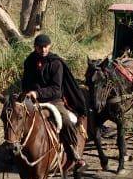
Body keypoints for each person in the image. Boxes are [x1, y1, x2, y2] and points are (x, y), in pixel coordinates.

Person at [21, 33, 88, 168]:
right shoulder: (29, 61)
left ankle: (74, 152)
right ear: (35, 47)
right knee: (16, 116)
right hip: (32, 99)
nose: (43, 50)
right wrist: (27, 93)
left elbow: (56, 89)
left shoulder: (56, 63)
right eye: (40, 47)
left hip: (53, 100)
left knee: (67, 121)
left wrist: (37, 92)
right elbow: (26, 81)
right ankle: (14, 150)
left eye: (46, 47)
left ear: (50, 46)